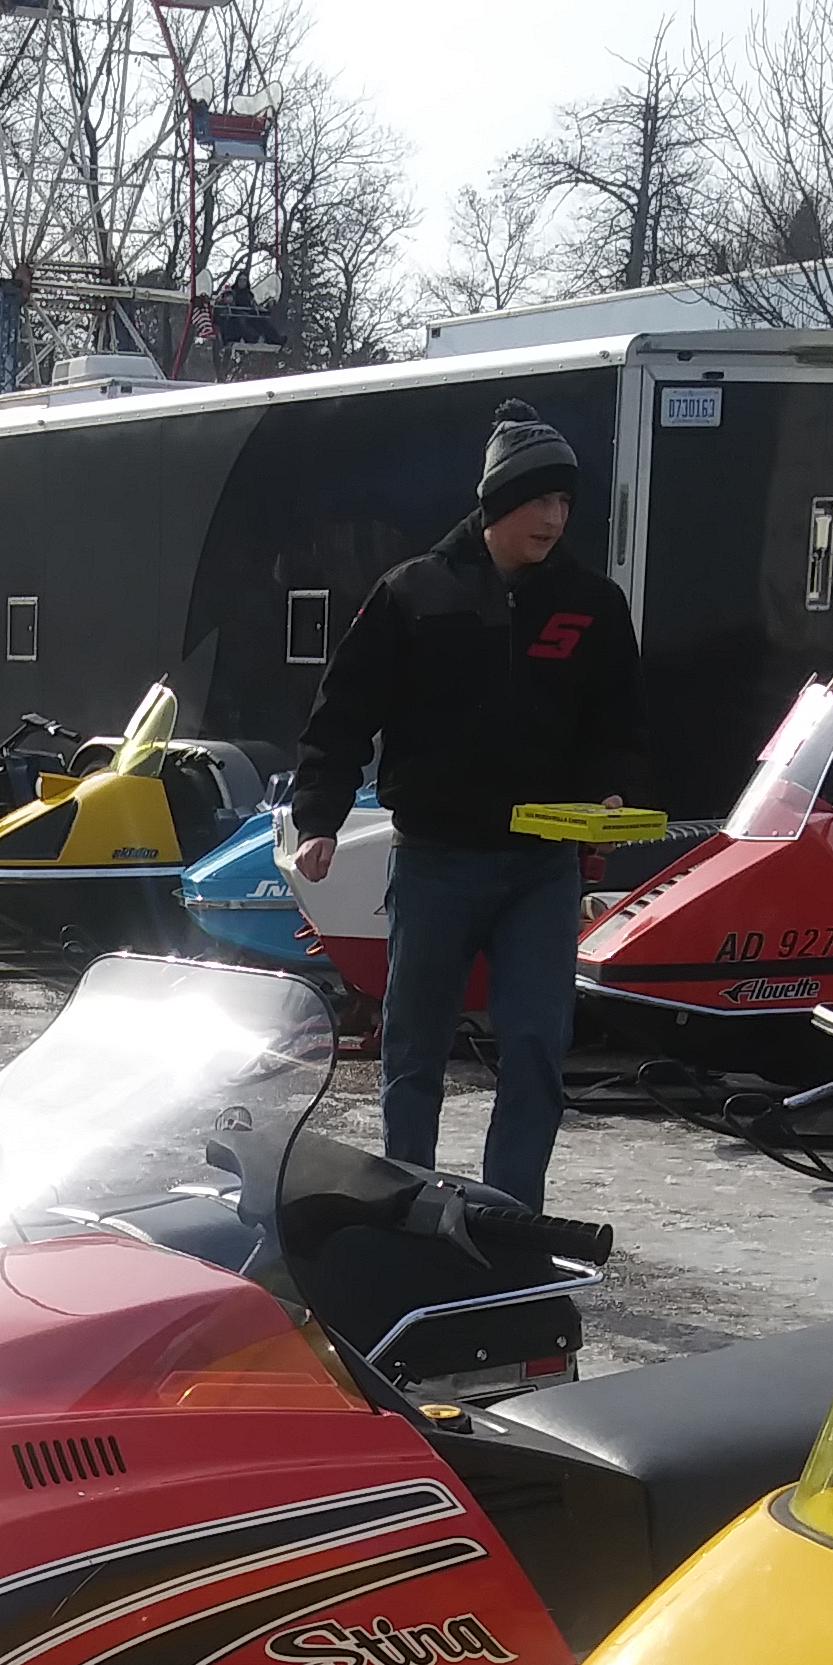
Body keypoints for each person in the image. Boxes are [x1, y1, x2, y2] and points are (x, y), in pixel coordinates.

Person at [290, 399, 642, 1213]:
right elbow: (341, 713)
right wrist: (320, 818)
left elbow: (621, 725)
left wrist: (616, 787)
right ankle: (405, 1206)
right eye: (538, 500)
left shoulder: (593, 607)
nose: (553, 518)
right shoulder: (412, 593)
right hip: (437, 860)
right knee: (413, 1051)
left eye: (565, 503)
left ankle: (509, 1217)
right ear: (496, 503)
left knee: (532, 1046)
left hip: (541, 870)